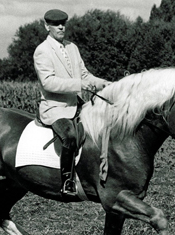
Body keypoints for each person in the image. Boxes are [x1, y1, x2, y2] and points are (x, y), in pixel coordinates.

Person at [34, 9, 110, 196]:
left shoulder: (72, 47)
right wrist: (80, 84)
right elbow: (48, 83)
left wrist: (102, 83)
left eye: (63, 24)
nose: (61, 27)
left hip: (77, 105)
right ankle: (66, 181)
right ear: (47, 26)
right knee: (69, 136)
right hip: (55, 108)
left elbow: (85, 75)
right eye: (56, 24)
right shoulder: (42, 51)